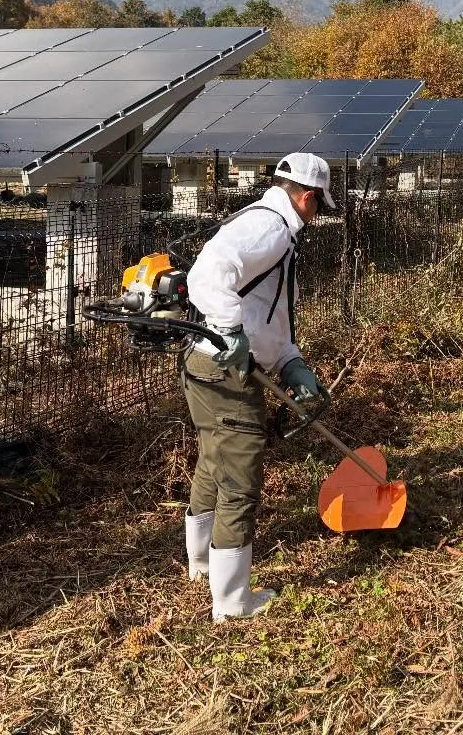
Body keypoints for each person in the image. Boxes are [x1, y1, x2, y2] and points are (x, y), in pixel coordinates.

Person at [181, 152, 332, 621]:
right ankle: (232, 602)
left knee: (214, 460)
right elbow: (207, 274)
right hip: (222, 370)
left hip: (206, 366)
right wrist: (228, 329)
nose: (318, 215)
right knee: (240, 482)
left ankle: (202, 564)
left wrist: (292, 364)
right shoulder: (271, 228)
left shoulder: (273, 228)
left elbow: (267, 317)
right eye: (320, 206)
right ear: (306, 198)